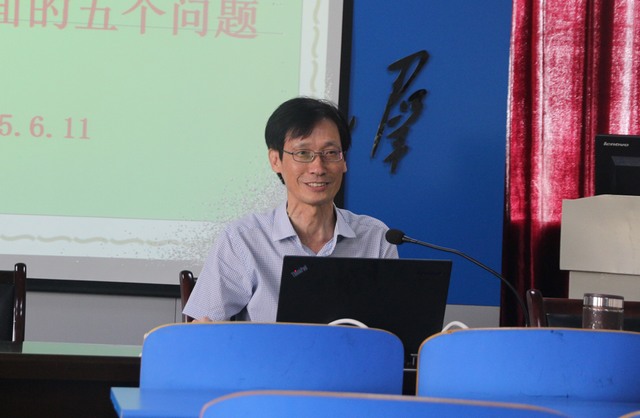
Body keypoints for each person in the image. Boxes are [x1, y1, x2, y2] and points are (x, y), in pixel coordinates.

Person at [183, 97, 398, 322]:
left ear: (344, 161)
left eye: (330, 153)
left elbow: (394, 327)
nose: (318, 168)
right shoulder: (243, 239)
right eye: (303, 153)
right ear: (275, 160)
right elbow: (202, 326)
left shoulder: (376, 238)